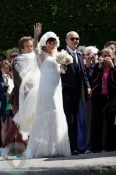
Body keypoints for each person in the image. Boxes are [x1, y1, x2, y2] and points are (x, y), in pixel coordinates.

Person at [24, 31, 71, 158]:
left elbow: (61, 71)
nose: (53, 44)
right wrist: (36, 36)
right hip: (46, 87)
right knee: (50, 111)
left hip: (57, 87)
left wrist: (64, 65)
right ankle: (41, 148)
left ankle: (55, 147)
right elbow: (34, 47)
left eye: (54, 41)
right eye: (50, 41)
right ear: (45, 42)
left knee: (57, 112)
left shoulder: (58, 54)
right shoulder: (41, 55)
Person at [61, 31, 91, 155]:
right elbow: (59, 73)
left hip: (77, 93)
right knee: (69, 119)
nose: (75, 41)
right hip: (66, 91)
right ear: (66, 40)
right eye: (73, 38)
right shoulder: (62, 54)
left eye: (77, 39)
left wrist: (88, 87)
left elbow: (83, 73)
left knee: (76, 119)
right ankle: (70, 147)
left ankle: (76, 146)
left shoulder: (79, 55)